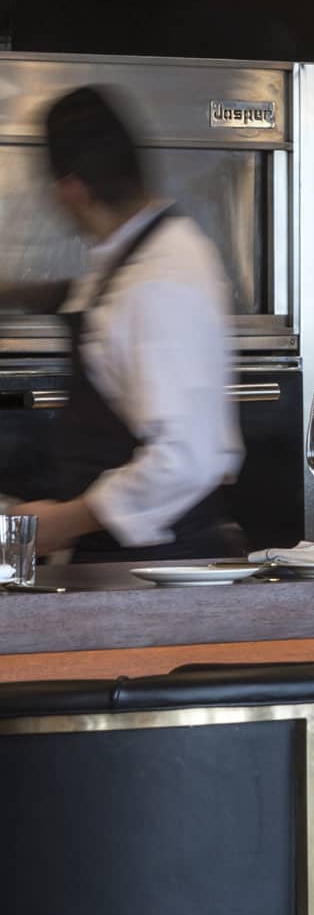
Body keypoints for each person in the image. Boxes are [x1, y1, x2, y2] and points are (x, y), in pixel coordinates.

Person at [10, 85, 244, 560]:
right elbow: (93, 306)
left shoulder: (156, 282)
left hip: (154, 571)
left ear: (71, 189)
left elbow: (184, 460)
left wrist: (61, 521)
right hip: (123, 562)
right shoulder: (153, 246)